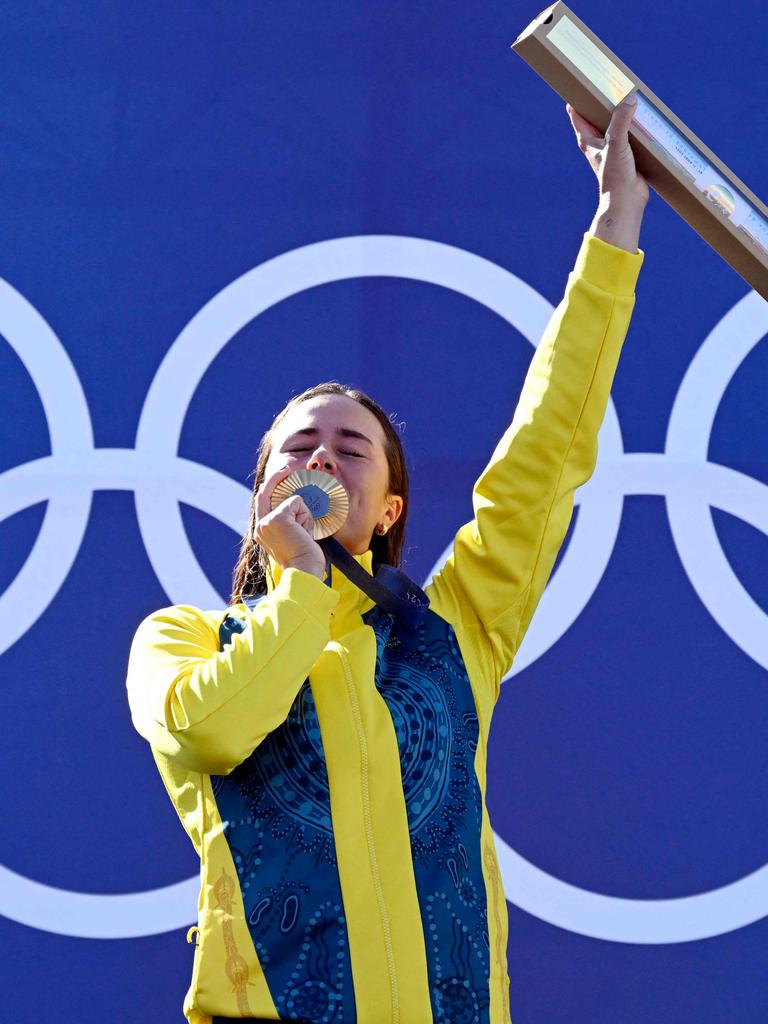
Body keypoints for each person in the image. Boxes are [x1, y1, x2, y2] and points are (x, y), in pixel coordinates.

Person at [126, 95, 648, 1024]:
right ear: (258, 499)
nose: (321, 456)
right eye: (297, 448)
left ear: (390, 509)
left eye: (350, 448)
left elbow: (545, 453)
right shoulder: (182, 639)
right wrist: (300, 588)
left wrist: (614, 229)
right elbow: (213, 732)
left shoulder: (454, 634)